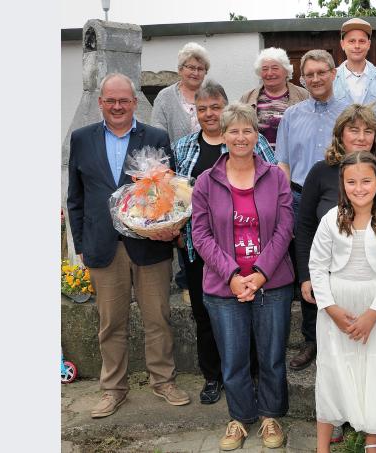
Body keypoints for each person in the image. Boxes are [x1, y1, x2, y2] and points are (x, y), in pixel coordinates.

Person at [67, 73, 190, 418]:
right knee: (111, 323)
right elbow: (75, 197)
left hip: (150, 245)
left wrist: (170, 228)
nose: (118, 106)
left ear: (135, 102)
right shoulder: (81, 139)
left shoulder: (156, 137)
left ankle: (163, 380)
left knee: (158, 318)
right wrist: (80, 244)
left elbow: (173, 192)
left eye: (124, 100)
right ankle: (113, 389)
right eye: (111, 100)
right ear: (101, 102)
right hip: (103, 247)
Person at [190, 102, 295, 450]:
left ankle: (269, 417)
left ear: (256, 134)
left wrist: (261, 274)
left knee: (271, 356)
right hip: (224, 286)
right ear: (223, 134)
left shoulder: (276, 176)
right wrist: (233, 276)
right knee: (233, 359)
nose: (240, 137)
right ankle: (239, 417)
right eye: (233, 130)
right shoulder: (206, 181)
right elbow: (200, 234)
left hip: (272, 284)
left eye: (247, 130)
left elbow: (284, 228)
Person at [173, 80, 276, 405]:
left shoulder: (249, 144)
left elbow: (275, 185)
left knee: (251, 321)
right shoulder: (183, 147)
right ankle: (214, 376)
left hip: (252, 255)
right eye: (201, 108)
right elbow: (172, 194)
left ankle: (255, 378)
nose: (208, 114)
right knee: (206, 316)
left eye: (214, 107)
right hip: (200, 246)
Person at [309, 151, 376, 453]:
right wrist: (329, 307)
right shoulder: (332, 219)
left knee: (375, 366)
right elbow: (317, 265)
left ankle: (372, 437)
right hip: (338, 304)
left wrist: (373, 314)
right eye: (351, 182)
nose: (359, 188)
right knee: (333, 367)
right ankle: (322, 445)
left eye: (366, 181)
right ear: (343, 184)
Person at [275, 49, 350, 373]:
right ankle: (311, 339)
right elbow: (283, 163)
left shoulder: (349, 112)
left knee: (342, 267)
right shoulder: (292, 115)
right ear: (301, 78)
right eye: (310, 74)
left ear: (334, 73)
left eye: (322, 72)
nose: (316, 78)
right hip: (300, 196)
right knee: (308, 265)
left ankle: (343, 332)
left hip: (340, 196)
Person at [151, 41, 211, 304]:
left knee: (208, 225)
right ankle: (186, 281)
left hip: (208, 168)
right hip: (176, 171)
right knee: (181, 227)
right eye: (190, 67)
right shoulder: (165, 97)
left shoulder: (211, 93)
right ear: (180, 69)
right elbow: (157, 133)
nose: (195, 72)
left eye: (200, 68)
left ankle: (210, 276)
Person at [332, 18, 376, 129]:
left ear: (369, 44)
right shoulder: (331, 79)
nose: (357, 46)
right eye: (352, 41)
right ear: (342, 44)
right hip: (340, 145)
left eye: (362, 41)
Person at [240, 47, 310, 148]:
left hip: (293, 159)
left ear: (286, 71)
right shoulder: (247, 98)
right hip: (258, 160)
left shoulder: (304, 96)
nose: (269, 73)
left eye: (275, 68)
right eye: (265, 69)